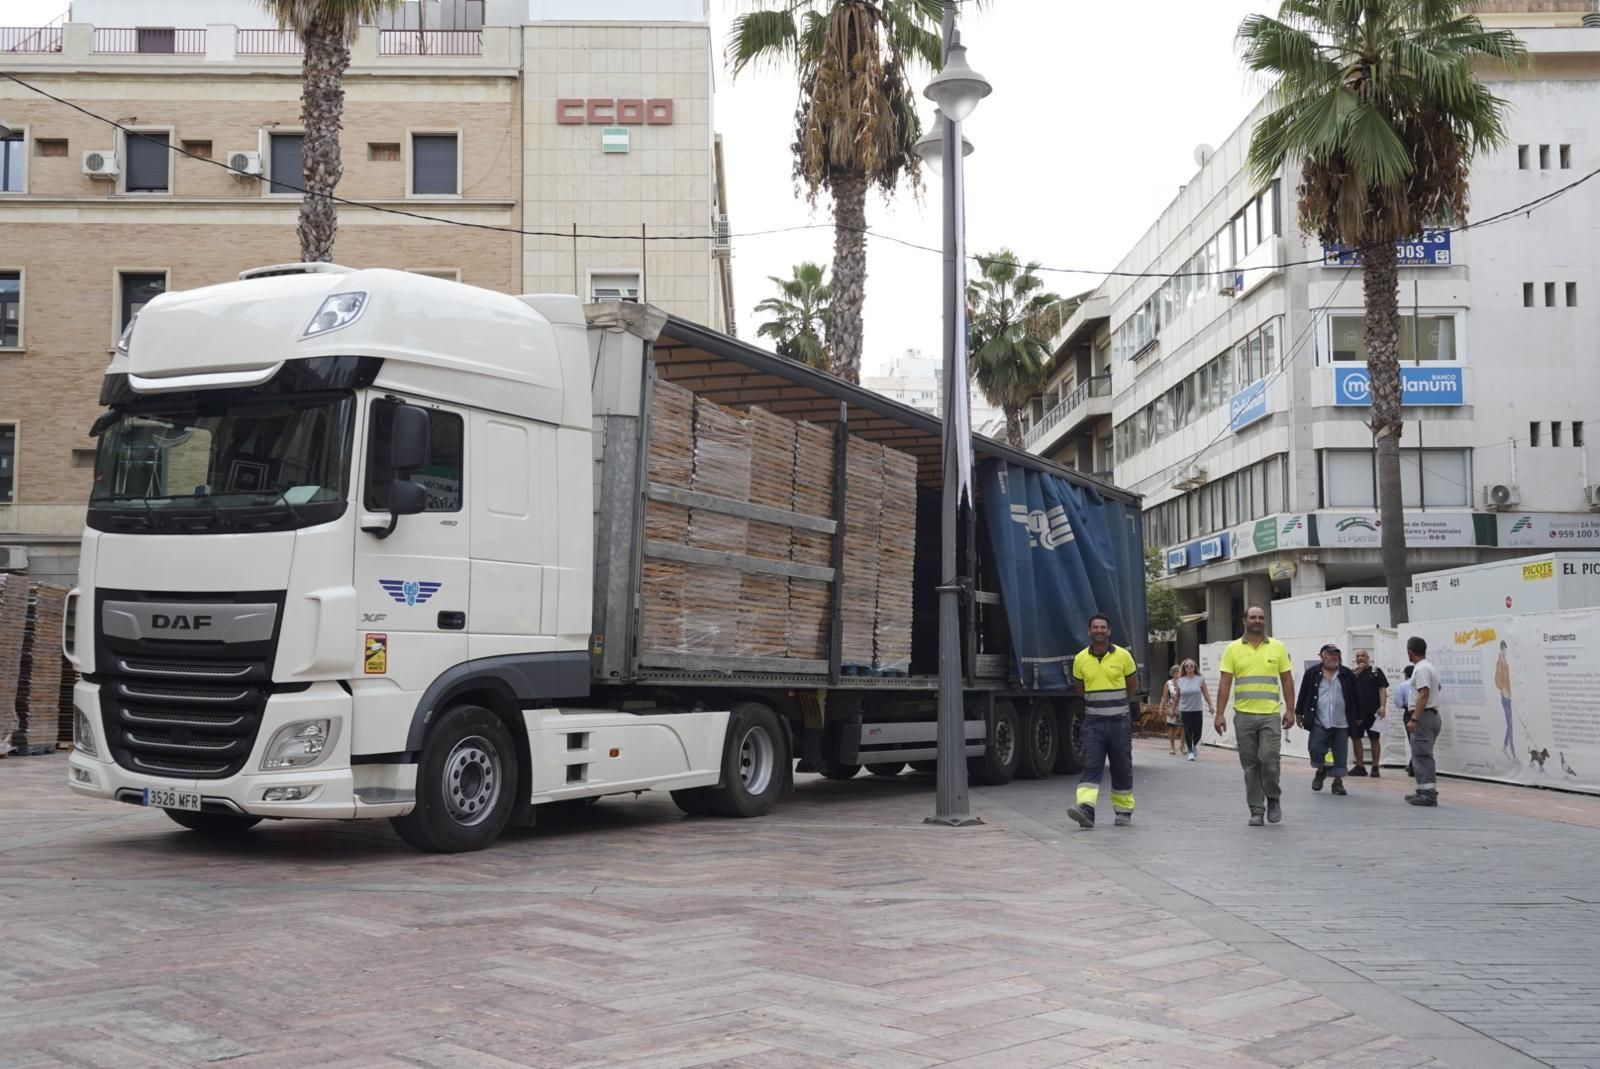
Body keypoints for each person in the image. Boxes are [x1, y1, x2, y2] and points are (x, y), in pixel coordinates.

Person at [1215, 606, 1296, 827]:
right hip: (1244, 716)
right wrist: (1219, 713)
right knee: (1250, 766)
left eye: (1261, 617)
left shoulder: (1277, 647)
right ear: (1244, 621)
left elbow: (1287, 679)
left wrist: (1290, 710)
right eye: (1253, 617)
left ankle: (1273, 798)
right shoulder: (1232, 649)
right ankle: (1256, 809)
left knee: (1269, 760)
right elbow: (1225, 682)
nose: (1257, 621)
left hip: (1270, 714)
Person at [1069, 613, 1139, 829]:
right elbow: (1079, 689)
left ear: (1109, 631)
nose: (1099, 631)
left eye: (1103, 627)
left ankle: (1123, 811)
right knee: (1092, 766)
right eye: (1095, 627)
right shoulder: (1080, 659)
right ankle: (1086, 811)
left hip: (1119, 723)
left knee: (1121, 767)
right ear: (1089, 631)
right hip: (1093, 724)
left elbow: (1132, 685)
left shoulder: (1123, 656)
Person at [1294, 643, 1361, 797]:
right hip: (1319, 719)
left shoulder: (1346, 674)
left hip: (1341, 720)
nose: (1333, 657)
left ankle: (1338, 782)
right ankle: (1321, 770)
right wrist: (1299, 713)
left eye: (1335, 654)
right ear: (1322, 656)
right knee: (1316, 748)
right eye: (1330, 654)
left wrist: (1359, 716)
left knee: (1340, 752)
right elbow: (1303, 693)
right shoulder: (1312, 673)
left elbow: (1357, 695)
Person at [1405, 636, 1443, 807]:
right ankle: (1422, 789)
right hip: (1431, 715)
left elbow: (1424, 694)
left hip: (1424, 716)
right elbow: (1438, 688)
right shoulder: (1430, 667)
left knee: (1422, 755)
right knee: (1421, 753)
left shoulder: (1421, 669)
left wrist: (1414, 718)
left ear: (1410, 651)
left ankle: (1428, 794)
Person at [1349, 650, 1389, 777]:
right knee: (1356, 738)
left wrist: (1382, 706)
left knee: (1374, 738)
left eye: (1363, 656)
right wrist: (1358, 671)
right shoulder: (1351, 673)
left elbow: (1382, 688)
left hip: (1373, 711)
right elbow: (1348, 686)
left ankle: (1375, 766)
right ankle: (1359, 766)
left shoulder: (1376, 671)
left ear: (1368, 658)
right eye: (1357, 656)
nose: (1360, 658)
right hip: (1356, 713)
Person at [1174, 659, 1212, 761]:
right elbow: (1177, 696)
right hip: (1185, 709)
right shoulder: (1180, 681)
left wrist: (1210, 705)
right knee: (1187, 731)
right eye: (1187, 666)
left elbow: (1205, 693)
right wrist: (1174, 709)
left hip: (1197, 708)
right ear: (1184, 668)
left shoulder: (1200, 679)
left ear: (1195, 667)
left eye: (1191, 666)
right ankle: (1190, 751)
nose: (1189, 667)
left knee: (1198, 731)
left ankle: (1194, 745)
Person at [1495, 640, 1515, 761]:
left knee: (1510, 724)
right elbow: (1497, 680)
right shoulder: (1499, 663)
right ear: (1501, 649)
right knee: (1510, 724)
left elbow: (1507, 680)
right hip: (1504, 697)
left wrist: (1510, 692)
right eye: (1505, 649)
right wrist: (1504, 690)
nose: (1506, 651)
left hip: (1509, 697)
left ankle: (1505, 747)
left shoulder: (1505, 662)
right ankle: (1513, 752)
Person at [1395, 664, 1415, 776]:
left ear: (1406, 674)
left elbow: (1398, 703)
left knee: (1412, 740)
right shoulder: (1421, 683)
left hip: (1409, 712)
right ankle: (1414, 765)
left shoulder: (1402, 686)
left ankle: (1414, 765)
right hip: (1424, 712)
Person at [1162, 665, 1183, 755]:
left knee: (1184, 727)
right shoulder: (1169, 683)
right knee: (1172, 727)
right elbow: (1165, 696)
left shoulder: (1184, 682)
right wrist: (1162, 707)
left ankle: (1183, 745)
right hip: (1171, 707)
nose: (1180, 674)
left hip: (1183, 706)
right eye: (1178, 672)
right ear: (1174, 673)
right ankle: (1172, 746)